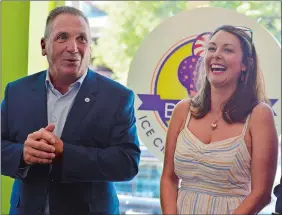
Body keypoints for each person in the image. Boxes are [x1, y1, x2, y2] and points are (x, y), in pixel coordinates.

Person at [1, 6, 140, 215]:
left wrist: (65, 152)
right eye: (62, 37)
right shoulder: (16, 91)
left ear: (90, 47)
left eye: (82, 39)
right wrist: (23, 154)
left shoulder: (118, 97)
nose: (73, 47)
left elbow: (127, 163)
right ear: (43, 45)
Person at [160, 25, 278, 214]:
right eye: (212, 48)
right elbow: (168, 177)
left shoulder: (259, 115)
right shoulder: (183, 110)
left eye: (228, 50)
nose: (216, 55)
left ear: (245, 64)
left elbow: (261, 193)